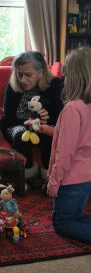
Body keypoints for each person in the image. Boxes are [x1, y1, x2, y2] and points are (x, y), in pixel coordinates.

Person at [0, 51, 64, 184]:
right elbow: (8, 118)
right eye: (19, 74)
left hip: (44, 126)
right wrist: (28, 123)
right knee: (20, 135)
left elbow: (60, 117)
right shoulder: (12, 86)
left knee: (47, 135)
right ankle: (26, 173)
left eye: (28, 75)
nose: (22, 79)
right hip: (16, 125)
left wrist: (42, 122)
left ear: (41, 72)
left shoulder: (55, 85)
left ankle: (48, 174)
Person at [47, 47, 91, 244]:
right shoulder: (86, 106)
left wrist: (54, 182)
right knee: (74, 217)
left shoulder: (73, 108)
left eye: (66, 71)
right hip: (86, 177)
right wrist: (42, 129)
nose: (63, 75)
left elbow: (65, 152)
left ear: (75, 76)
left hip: (70, 179)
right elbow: (73, 137)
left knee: (62, 223)